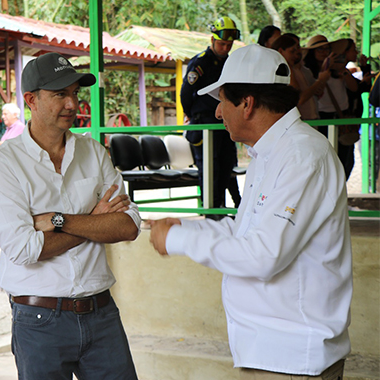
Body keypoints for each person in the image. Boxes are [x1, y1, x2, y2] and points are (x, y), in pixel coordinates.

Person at [150, 45, 352, 380]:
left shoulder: (302, 156)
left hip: (293, 358)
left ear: (247, 103)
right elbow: (244, 230)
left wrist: (179, 239)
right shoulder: (270, 153)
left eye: (222, 102)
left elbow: (264, 255)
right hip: (270, 352)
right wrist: (183, 227)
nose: (217, 114)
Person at [0, 52, 141, 380]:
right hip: (39, 319)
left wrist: (59, 220)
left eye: (75, 93)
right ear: (31, 100)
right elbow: (24, 249)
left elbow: (127, 226)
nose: (72, 104)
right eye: (60, 94)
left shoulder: (93, 152)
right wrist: (94, 220)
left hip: (101, 313)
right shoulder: (6, 163)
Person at [180, 16, 241, 211]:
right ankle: (210, 211)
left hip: (226, 124)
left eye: (229, 44)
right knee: (209, 169)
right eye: (222, 44)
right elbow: (186, 93)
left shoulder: (232, 63)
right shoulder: (201, 63)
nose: (225, 48)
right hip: (205, 123)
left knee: (226, 167)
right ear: (213, 40)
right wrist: (192, 115)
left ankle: (220, 209)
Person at [304, 35, 359, 179]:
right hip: (322, 118)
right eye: (319, 49)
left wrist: (343, 70)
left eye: (326, 48)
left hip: (341, 117)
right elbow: (317, 93)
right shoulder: (309, 73)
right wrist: (324, 71)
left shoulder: (338, 69)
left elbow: (354, 88)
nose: (323, 52)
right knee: (326, 162)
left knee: (346, 161)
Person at [272, 33, 329, 121]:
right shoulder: (281, 72)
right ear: (280, 51)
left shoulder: (303, 70)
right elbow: (299, 99)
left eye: (297, 49)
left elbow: (317, 93)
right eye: (292, 51)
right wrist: (320, 80)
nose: (296, 55)